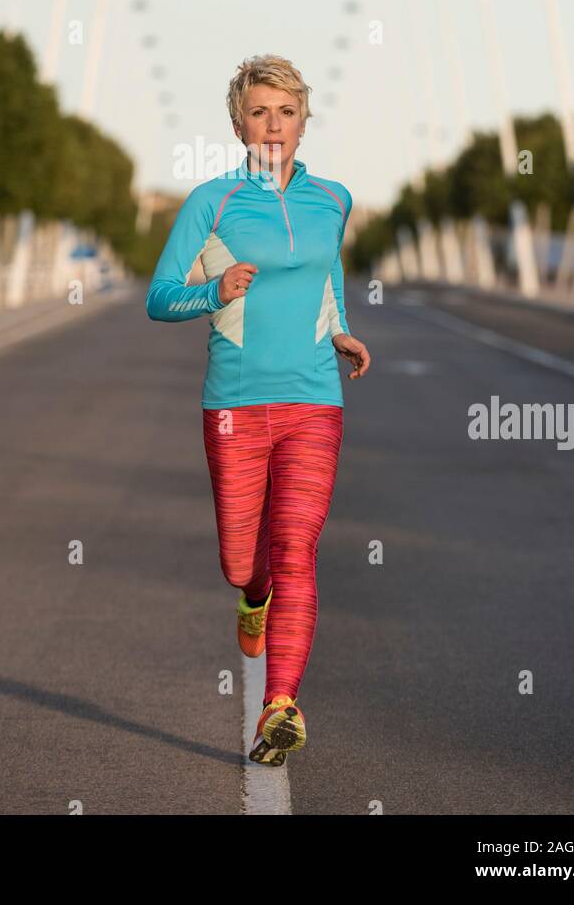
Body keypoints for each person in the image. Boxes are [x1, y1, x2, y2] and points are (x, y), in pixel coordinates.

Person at [145, 55, 371, 765]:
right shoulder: (211, 203)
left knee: (297, 546)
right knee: (243, 558)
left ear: (304, 121)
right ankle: (253, 595)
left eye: (286, 112)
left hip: (314, 399)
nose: (273, 125)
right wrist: (212, 293)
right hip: (235, 404)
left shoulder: (333, 199)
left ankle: (280, 706)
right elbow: (159, 297)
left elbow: (328, 272)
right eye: (259, 112)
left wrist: (339, 329)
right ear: (238, 124)